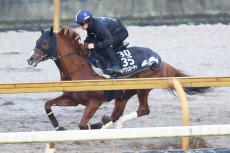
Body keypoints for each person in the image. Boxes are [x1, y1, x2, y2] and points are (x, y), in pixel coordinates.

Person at [74, 9, 129, 73]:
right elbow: (90, 37)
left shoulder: (99, 27)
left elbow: (109, 40)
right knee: (96, 42)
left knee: (105, 45)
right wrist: (84, 44)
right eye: (79, 24)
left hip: (120, 32)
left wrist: (94, 45)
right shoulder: (90, 25)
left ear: (88, 21)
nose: (80, 26)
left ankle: (116, 66)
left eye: (81, 24)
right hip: (109, 32)